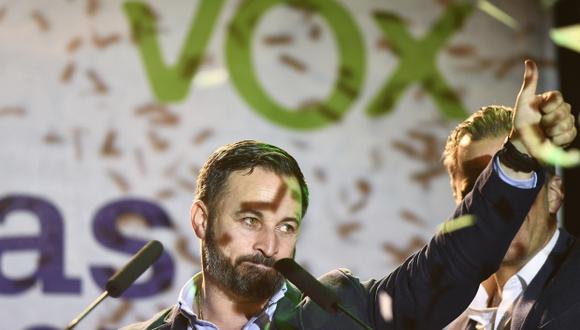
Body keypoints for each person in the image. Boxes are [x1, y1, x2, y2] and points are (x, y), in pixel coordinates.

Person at [121, 60, 576, 330]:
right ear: (201, 220)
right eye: (250, 220)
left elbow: (449, 264)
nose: (270, 244)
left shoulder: (337, 313)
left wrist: (516, 157)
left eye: (287, 225)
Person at [443, 103, 580, 329]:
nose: (497, 205)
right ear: (460, 204)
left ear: (554, 194)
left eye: (516, 184)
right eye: (477, 191)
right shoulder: (448, 308)